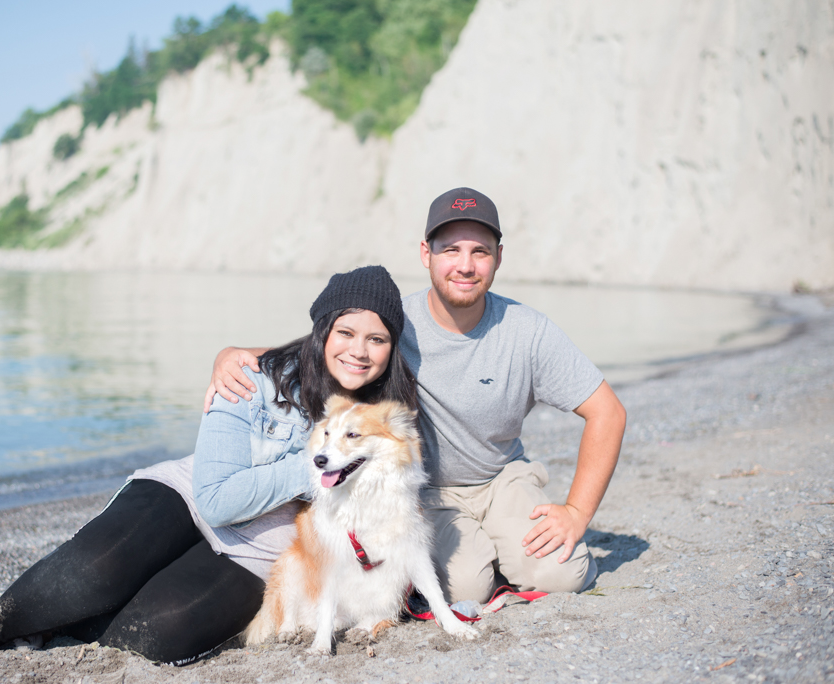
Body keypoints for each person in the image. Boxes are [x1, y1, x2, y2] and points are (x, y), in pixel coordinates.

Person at [0, 265, 416, 671]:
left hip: (265, 546)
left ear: (392, 350)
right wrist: (321, 468)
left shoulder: (386, 424)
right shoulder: (256, 377)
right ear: (323, 330)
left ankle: (53, 630)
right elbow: (217, 500)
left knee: (157, 635)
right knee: (94, 571)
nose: (359, 351)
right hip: (194, 493)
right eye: (346, 332)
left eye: (377, 339)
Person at [206, 187, 627, 604]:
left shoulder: (528, 331)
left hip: (502, 478)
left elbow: (607, 413)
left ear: (499, 257)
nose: (465, 265)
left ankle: (509, 548)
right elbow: (325, 350)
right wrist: (234, 356)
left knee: (564, 575)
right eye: (450, 250)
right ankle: (492, 560)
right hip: (432, 493)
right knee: (465, 588)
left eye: (480, 251)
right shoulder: (393, 326)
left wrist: (576, 513)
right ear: (426, 254)